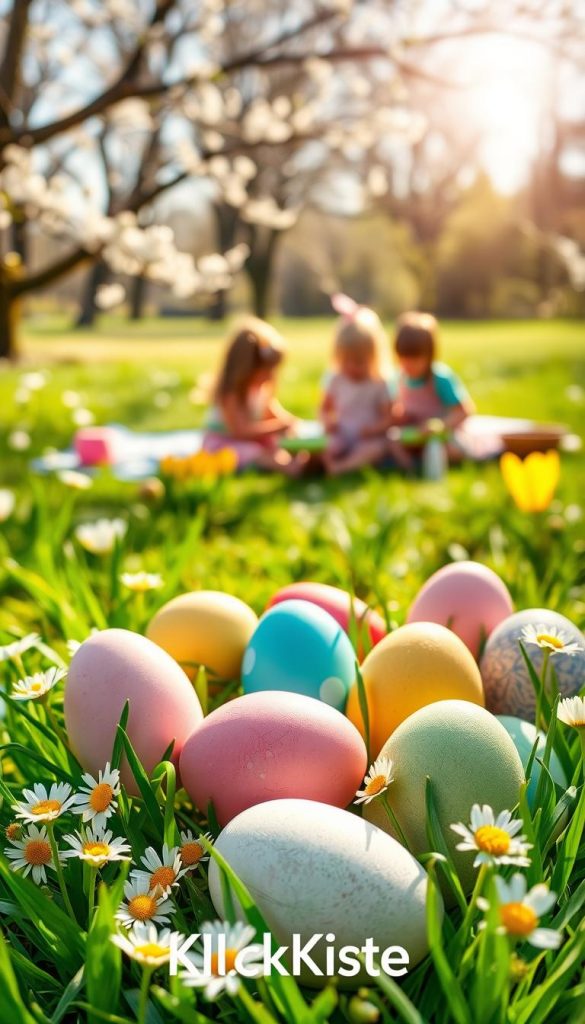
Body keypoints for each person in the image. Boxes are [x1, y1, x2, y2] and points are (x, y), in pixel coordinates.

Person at [203, 317, 301, 472]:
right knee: (254, 451)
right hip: (225, 443)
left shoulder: (261, 390)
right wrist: (278, 427)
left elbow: (275, 416)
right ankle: (288, 467)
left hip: (252, 440)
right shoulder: (230, 393)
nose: (270, 377)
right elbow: (240, 432)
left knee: (274, 444)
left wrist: (289, 425)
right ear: (245, 370)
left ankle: (295, 463)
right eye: (266, 372)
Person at [388, 311, 475, 469]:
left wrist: (440, 425)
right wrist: (400, 416)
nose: (409, 365)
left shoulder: (439, 377)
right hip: (415, 433)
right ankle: (410, 470)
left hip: (442, 436)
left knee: (445, 448)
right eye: (404, 358)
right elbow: (398, 409)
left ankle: (431, 464)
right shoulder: (399, 378)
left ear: (429, 355)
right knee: (392, 439)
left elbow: (464, 411)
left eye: (415, 359)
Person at [320, 295, 393, 475]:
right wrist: (328, 422)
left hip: (368, 438)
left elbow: (389, 417)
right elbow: (324, 409)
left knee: (376, 449)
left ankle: (341, 467)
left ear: (373, 357)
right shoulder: (336, 380)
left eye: (359, 362)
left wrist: (373, 429)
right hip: (343, 435)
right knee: (325, 445)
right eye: (347, 361)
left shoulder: (378, 382)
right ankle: (324, 462)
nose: (353, 366)